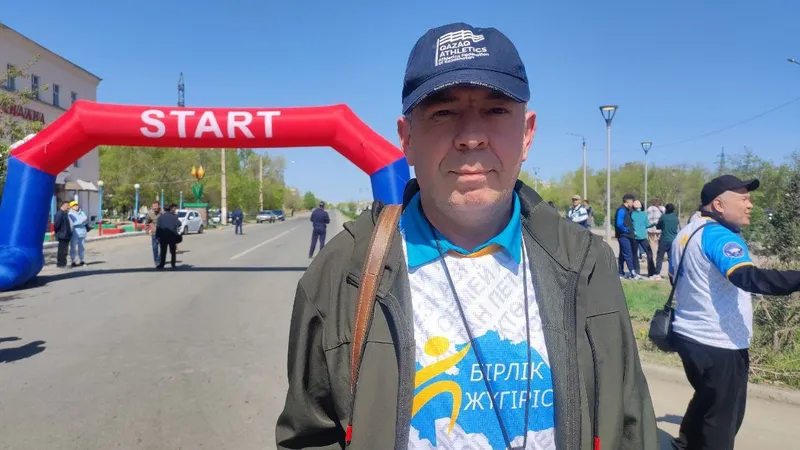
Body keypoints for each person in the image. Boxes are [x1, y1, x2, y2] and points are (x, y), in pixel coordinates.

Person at [276, 22, 658, 450]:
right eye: (443, 112)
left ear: (527, 133)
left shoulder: (586, 263)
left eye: (496, 111)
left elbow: (630, 425)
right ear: (406, 139)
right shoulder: (342, 271)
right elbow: (310, 436)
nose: (471, 137)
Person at [669, 175, 800, 450]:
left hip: (688, 335)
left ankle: (684, 444)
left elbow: (676, 280)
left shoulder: (687, 233)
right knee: (724, 418)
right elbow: (748, 278)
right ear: (718, 205)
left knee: (707, 399)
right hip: (719, 342)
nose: (750, 205)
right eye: (744, 199)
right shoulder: (719, 236)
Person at [615, 194, 642, 279]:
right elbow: (619, 224)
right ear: (628, 201)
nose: (633, 203)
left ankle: (620, 273)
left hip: (627, 235)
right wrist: (627, 230)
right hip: (623, 236)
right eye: (632, 201)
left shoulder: (628, 210)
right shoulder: (621, 210)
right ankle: (633, 273)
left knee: (622, 255)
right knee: (628, 254)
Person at [654, 203, 678, 281]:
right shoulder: (676, 218)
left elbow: (657, 227)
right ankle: (671, 274)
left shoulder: (663, 217)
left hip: (664, 239)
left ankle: (657, 274)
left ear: (666, 209)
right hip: (673, 240)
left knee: (660, 257)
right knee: (671, 258)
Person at [632, 199, 656, 277]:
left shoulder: (643, 214)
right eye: (635, 202)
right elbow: (630, 224)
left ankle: (650, 272)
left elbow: (646, 225)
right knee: (635, 255)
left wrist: (653, 224)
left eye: (638, 202)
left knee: (648, 253)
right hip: (636, 237)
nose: (636, 203)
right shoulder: (632, 214)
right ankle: (638, 272)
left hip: (641, 237)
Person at [155, 203, 181, 269]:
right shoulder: (174, 216)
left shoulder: (160, 217)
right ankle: (173, 264)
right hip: (172, 236)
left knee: (163, 251)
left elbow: (158, 228)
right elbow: (179, 224)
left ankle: (162, 264)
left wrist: (157, 237)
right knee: (173, 251)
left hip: (163, 237)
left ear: (164, 209)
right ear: (170, 209)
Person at [67, 200, 89, 267]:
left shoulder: (82, 212)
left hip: (83, 231)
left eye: (76, 205)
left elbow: (85, 219)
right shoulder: (70, 214)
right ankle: (73, 261)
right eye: (74, 205)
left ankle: (81, 260)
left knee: (82, 247)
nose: (76, 206)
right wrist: (81, 221)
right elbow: (72, 223)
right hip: (75, 232)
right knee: (73, 247)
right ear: (71, 207)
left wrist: (82, 221)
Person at [53, 201, 73, 268]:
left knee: (64, 250)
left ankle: (63, 263)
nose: (68, 207)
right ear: (63, 205)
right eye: (67, 205)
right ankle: (61, 264)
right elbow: (56, 224)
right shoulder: (59, 213)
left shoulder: (64, 213)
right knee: (62, 250)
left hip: (66, 235)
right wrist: (57, 232)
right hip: (62, 235)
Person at [144, 202, 162, 266]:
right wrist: (147, 230)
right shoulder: (150, 213)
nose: (155, 208)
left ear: (159, 206)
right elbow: (146, 223)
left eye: (156, 206)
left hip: (163, 233)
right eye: (153, 207)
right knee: (155, 248)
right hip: (154, 233)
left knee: (163, 248)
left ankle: (160, 258)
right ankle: (156, 261)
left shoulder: (163, 213)